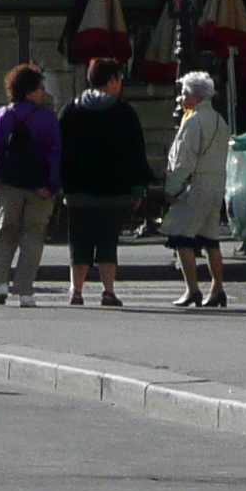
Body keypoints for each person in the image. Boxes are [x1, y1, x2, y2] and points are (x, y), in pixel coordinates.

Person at [57, 56, 150, 306]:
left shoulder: (71, 110)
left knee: (79, 241)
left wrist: (60, 182)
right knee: (108, 242)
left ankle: (76, 291)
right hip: (114, 191)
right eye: (119, 79)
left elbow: (58, 149)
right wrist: (138, 187)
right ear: (111, 80)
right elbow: (136, 152)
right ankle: (108, 291)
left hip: (78, 191)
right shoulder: (124, 113)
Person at [0, 63, 59, 305]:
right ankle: (25, 290)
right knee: (33, 236)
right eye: (40, 87)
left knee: (4, 233)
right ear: (31, 90)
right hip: (38, 187)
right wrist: (50, 185)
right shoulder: (47, 118)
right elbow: (54, 153)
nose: (43, 91)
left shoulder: (0, 116)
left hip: (7, 185)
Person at [159, 70, 231, 308]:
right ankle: (217, 288)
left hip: (196, 185)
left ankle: (192, 289)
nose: (180, 97)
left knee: (180, 236)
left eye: (184, 93)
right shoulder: (220, 120)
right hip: (216, 184)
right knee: (211, 240)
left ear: (196, 96)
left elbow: (183, 160)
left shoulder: (193, 121)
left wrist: (172, 188)